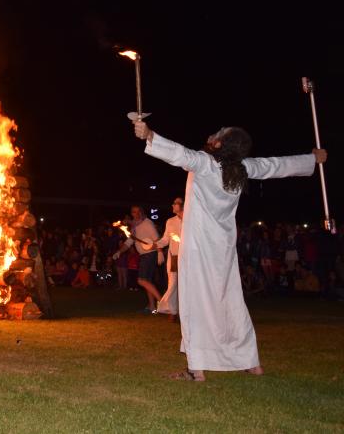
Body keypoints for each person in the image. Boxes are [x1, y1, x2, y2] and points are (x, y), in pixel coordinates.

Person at [132, 120, 327, 381]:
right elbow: (276, 166)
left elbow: (180, 154)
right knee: (230, 300)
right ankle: (250, 362)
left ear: (219, 144)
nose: (211, 133)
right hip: (222, 248)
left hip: (199, 247)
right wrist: (311, 160)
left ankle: (196, 370)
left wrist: (150, 135)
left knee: (195, 303)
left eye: (217, 134)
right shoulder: (242, 168)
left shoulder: (206, 163)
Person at [113, 205, 162, 313]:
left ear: (141, 212)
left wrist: (159, 252)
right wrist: (119, 252)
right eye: (134, 212)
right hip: (144, 255)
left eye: (138, 212)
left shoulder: (147, 223)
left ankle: (163, 304)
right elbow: (129, 242)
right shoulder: (135, 226)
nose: (136, 214)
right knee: (147, 281)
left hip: (150, 254)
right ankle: (152, 307)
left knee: (141, 280)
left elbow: (157, 239)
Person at [155, 197, 184, 322]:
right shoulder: (170, 221)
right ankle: (171, 310)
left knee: (186, 286)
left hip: (189, 258)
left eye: (175, 203)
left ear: (183, 205)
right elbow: (165, 239)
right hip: (174, 257)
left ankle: (184, 311)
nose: (172, 205)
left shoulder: (192, 220)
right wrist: (157, 245)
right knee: (172, 284)